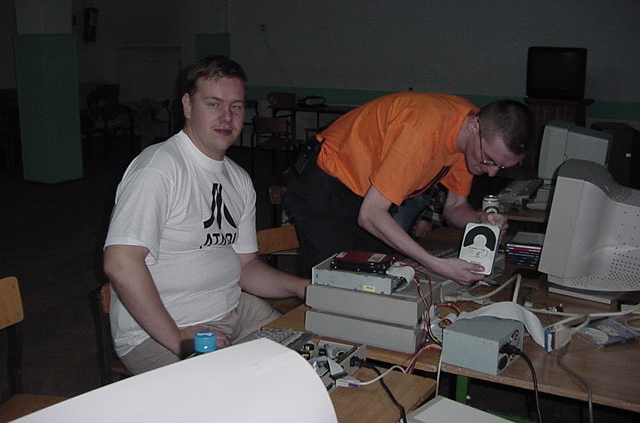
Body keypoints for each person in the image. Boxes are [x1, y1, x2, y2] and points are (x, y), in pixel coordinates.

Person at [103, 55, 309, 374]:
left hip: (234, 309)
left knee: (306, 361)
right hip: (159, 330)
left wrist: (302, 287)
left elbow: (247, 267)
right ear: (187, 105)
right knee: (240, 392)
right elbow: (120, 263)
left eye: (236, 106)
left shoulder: (238, 179)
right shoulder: (159, 169)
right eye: (213, 104)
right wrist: (177, 338)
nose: (227, 117)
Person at [285, 92, 534, 285]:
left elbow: (454, 208)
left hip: (365, 196)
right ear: (474, 125)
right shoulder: (424, 130)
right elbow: (370, 215)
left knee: (381, 277)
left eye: (501, 166)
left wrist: (480, 219)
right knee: (334, 284)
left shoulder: (472, 142)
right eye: (489, 160)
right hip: (326, 183)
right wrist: (436, 264)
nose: (491, 172)